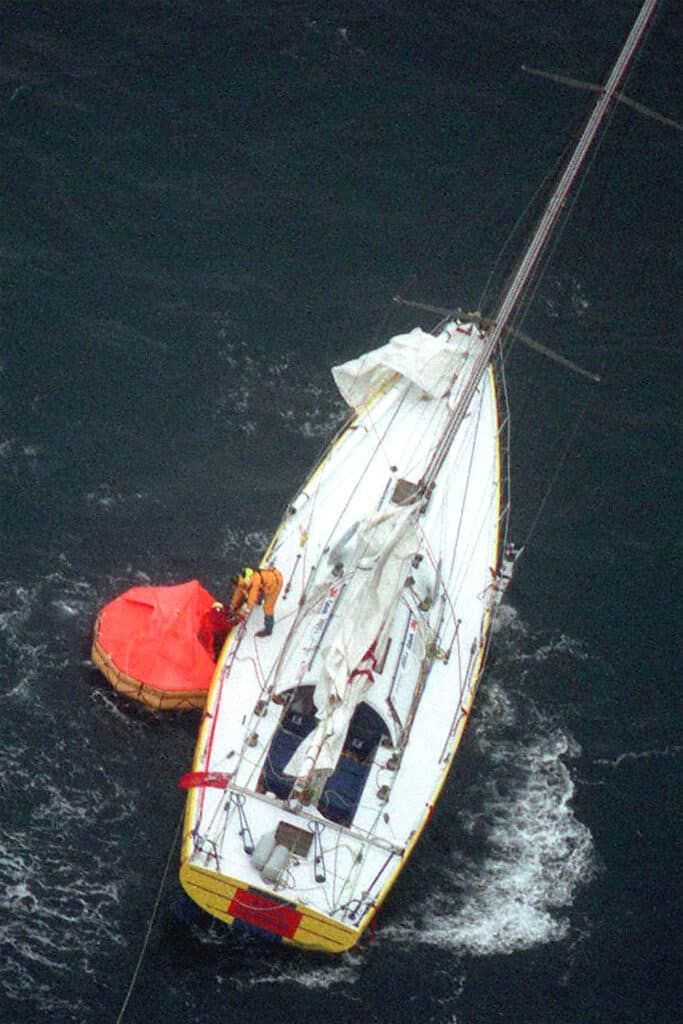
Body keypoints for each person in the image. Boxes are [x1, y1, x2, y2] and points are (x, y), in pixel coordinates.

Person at [230, 565, 283, 638]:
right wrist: (233, 606)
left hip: (275, 584)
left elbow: (252, 597)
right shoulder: (242, 581)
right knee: (254, 594)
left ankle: (268, 629)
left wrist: (247, 610)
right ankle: (259, 600)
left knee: (267, 608)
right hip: (265, 583)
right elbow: (238, 593)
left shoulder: (255, 582)